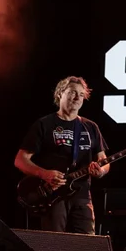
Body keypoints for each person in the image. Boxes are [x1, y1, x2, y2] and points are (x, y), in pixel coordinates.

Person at [14, 76, 109, 234]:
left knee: (88, 246)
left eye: (81, 94)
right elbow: (20, 160)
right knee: (55, 244)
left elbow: (104, 161)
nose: (78, 97)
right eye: (73, 92)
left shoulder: (90, 127)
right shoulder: (44, 124)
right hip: (53, 195)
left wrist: (101, 171)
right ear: (60, 94)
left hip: (82, 195)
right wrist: (44, 174)